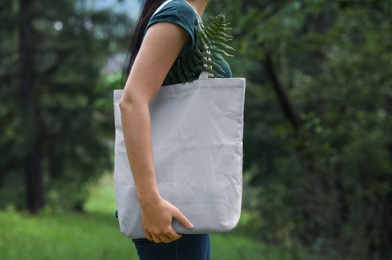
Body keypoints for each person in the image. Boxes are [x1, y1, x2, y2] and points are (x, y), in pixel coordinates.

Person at [119, 0, 231, 259]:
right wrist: (150, 202)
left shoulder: (188, 18)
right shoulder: (179, 13)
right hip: (168, 210)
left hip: (182, 204)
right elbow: (132, 101)